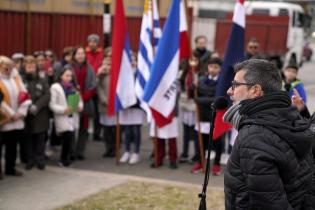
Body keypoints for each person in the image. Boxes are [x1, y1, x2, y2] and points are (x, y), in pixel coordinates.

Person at [223, 59, 315, 209]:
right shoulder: (292, 118)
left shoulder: (254, 137)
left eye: (235, 85)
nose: (229, 90)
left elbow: (270, 204)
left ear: (255, 90)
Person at [0, 56, 32, 177]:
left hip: (17, 118)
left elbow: (25, 95)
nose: (8, 70)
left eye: (10, 67)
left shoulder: (16, 79)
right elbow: (0, 101)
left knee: (12, 145)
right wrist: (11, 114)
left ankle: (10, 168)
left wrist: (21, 112)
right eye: (5, 67)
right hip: (4, 118)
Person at [190, 58, 223, 175]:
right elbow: (192, 96)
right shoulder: (201, 80)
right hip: (202, 116)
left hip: (215, 117)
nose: (213, 69)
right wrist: (192, 88)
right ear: (207, 67)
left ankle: (216, 164)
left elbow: (218, 100)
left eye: (216, 67)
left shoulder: (222, 82)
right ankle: (200, 162)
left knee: (217, 142)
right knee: (200, 142)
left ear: (220, 69)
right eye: (211, 66)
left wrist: (199, 100)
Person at [49, 65, 83, 167]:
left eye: (71, 76)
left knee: (72, 137)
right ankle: (63, 159)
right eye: (67, 76)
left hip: (73, 115)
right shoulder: (55, 87)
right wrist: (64, 109)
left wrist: (80, 107)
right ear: (61, 76)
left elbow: (80, 100)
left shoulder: (74, 87)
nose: (69, 78)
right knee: (67, 137)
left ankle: (69, 156)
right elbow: (52, 104)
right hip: (63, 116)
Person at [22, 56, 50, 170]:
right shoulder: (21, 80)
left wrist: (36, 106)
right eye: (28, 67)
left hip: (40, 114)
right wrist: (27, 107)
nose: (31, 69)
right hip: (26, 114)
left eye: (33, 66)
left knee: (40, 139)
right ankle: (30, 160)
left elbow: (47, 95)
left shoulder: (42, 80)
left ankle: (40, 160)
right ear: (25, 68)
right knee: (28, 139)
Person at [119, 52, 146, 165]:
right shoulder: (123, 74)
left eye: (134, 59)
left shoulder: (140, 74)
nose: (132, 62)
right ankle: (127, 151)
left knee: (135, 130)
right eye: (129, 60)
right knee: (127, 130)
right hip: (126, 106)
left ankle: (136, 152)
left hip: (136, 106)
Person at [72, 46, 96, 160]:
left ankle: (80, 151)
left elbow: (93, 85)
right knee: (72, 127)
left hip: (86, 100)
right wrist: (76, 98)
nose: (81, 56)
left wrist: (84, 97)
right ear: (74, 55)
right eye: (78, 53)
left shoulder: (89, 68)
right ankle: (71, 151)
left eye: (82, 53)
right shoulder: (69, 67)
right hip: (72, 100)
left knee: (84, 128)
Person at [97, 48, 116, 158]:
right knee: (106, 128)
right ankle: (108, 148)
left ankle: (114, 148)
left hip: (114, 103)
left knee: (114, 128)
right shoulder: (101, 73)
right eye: (107, 61)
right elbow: (98, 87)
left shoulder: (116, 72)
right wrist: (104, 99)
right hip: (104, 104)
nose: (108, 64)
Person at [86, 34, 104, 142]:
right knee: (88, 109)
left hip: (98, 84)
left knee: (98, 111)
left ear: (97, 44)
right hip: (88, 85)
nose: (92, 43)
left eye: (94, 42)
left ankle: (97, 133)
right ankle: (86, 131)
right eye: (90, 41)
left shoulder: (101, 54)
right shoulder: (85, 54)